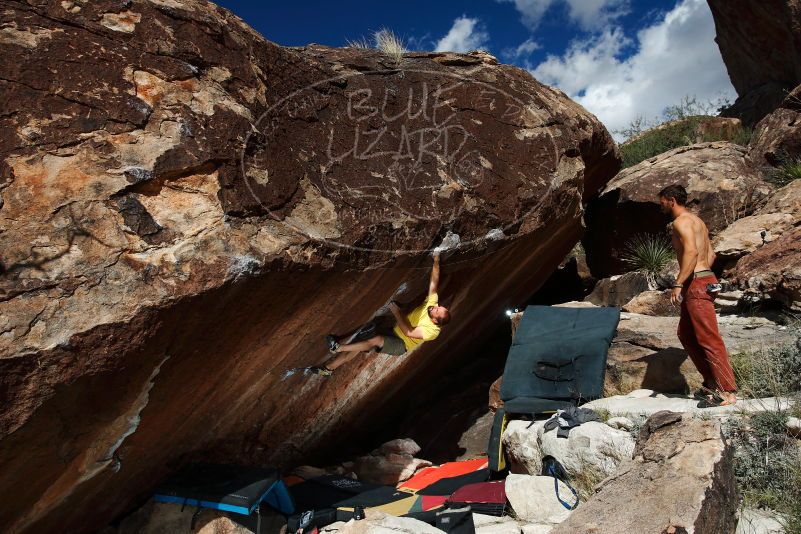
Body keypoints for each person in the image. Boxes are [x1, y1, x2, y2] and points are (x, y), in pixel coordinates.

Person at [309, 252, 451, 376]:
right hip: (394, 331)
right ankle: (328, 369)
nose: (434, 307)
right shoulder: (433, 305)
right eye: (438, 307)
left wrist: (396, 312)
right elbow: (434, 283)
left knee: (376, 340)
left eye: (436, 311)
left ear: (435, 321)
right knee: (362, 338)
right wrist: (436, 260)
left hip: (401, 344)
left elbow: (409, 332)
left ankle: (338, 347)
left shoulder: (432, 332)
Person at [659, 184, 737, 406]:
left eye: (662, 201)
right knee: (686, 333)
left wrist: (679, 283)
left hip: (696, 282)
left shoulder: (680, 222)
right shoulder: (698, 221)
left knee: (708, 337)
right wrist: (702, 274)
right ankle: (712, 381)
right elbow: (710, 254)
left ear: (671, 200)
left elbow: (692, 252)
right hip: (705, 279)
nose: (660, 206)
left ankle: (726, 390)